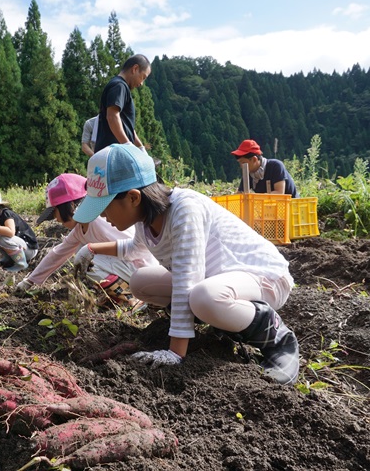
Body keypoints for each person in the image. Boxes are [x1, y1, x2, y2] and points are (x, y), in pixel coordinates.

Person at [72, 143, 300, 385]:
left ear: (133, 197)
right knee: (141, 282)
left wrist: (175, 353)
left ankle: (275, 336)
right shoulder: (145, 217)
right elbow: (133, 248)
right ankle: (220, 321)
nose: (102, 216)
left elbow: (186, 280)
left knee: (202, 297)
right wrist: (91, 249)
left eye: (105, 207)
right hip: (220, 282)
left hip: (264, 278)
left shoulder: (184, 210)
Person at [16, 173, 155, 312]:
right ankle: (120, 296)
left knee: (87, 258)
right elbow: (57, 254)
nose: (56, 219)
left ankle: (131, 298)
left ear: (70, 205)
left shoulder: (99, 220)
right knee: (82, 252)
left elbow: (137, 248)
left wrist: (91, 249)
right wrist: (29, 281)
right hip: (128, 268)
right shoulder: (79, 229)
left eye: (55, 213)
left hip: (142, 269)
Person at [94, 54, 151, 153]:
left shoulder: (121, 87)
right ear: (135, 69)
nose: (142, 83)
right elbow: (112, 116)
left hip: (117, 153)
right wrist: (127, 145)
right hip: (113, 155)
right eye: (143, 77)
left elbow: (127, 126)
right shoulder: (119, 86)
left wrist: (140, 147)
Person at [232, 139, 298, 198]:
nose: (241, 166)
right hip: (268, 208)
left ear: (254, 159)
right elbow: (241, 194)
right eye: (239, 163)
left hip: (290, 206)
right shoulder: (248, 173)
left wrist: (254, 198)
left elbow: (279, 193)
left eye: (243, 163)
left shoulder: (275, 166)